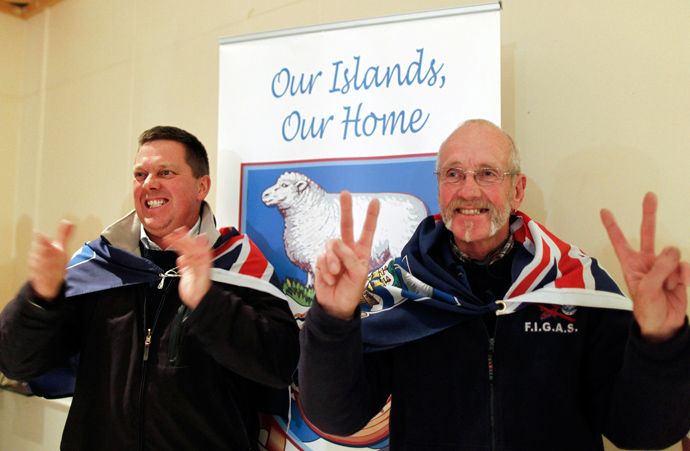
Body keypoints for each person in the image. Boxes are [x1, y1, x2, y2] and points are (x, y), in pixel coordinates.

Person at [298, 119, 690, 450]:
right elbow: (337, 416)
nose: (469, 190)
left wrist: (659, 341)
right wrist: (332, 318)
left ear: (517, 190)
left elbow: (642, 431)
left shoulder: (576, 284)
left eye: (487, 173)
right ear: (440, 187)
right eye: (454, 174)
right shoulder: (399, 289)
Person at [0, 126, 300, 450]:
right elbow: (16, 363)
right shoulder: (97, 264)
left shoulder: (239, 264)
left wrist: (208, 302)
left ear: (202, 186)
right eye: (140, 174)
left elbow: (280, 365)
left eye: (165, 172)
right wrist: (40, 300)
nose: (149, 183)